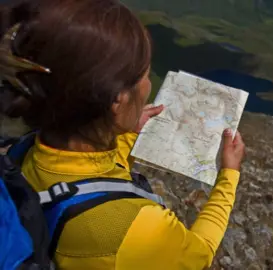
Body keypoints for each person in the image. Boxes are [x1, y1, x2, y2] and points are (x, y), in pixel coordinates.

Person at [0, 0, 245, 269]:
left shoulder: (24, 152)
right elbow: (198, 253)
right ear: (117, 100)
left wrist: (124, 132)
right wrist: (228, 176)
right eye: (145, 74)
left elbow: (88, 180)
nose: (149, 84)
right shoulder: (137, 230)